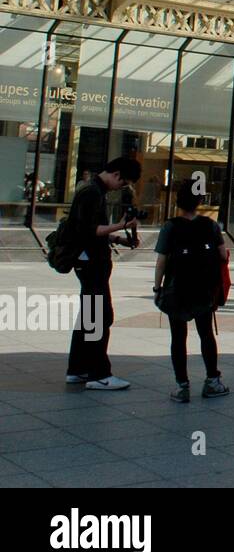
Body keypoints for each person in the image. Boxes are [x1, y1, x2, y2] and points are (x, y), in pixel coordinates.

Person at [65, 157, 142, 391]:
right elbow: (90, 230)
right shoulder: (92, 193)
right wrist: (122, 227)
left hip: (87, 261)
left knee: (89, 317)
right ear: (117, 174)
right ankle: (99, 374)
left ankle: (78, 369)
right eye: (124, 182)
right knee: (99, 317)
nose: (122, 187)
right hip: (91, 263)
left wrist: (118, 239)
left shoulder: (91, 190)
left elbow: (91, 230)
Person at [152, 184, 230, 402]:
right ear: (199, 203)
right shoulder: (211, 226)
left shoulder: (170, 226)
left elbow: (161, 262)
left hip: (177, 289)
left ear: (178, 202)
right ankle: (212, 381)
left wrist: (157, 288)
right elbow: (223, 255)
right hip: (204, 289)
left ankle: (182, 386)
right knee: (206, 333)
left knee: (178, 337)